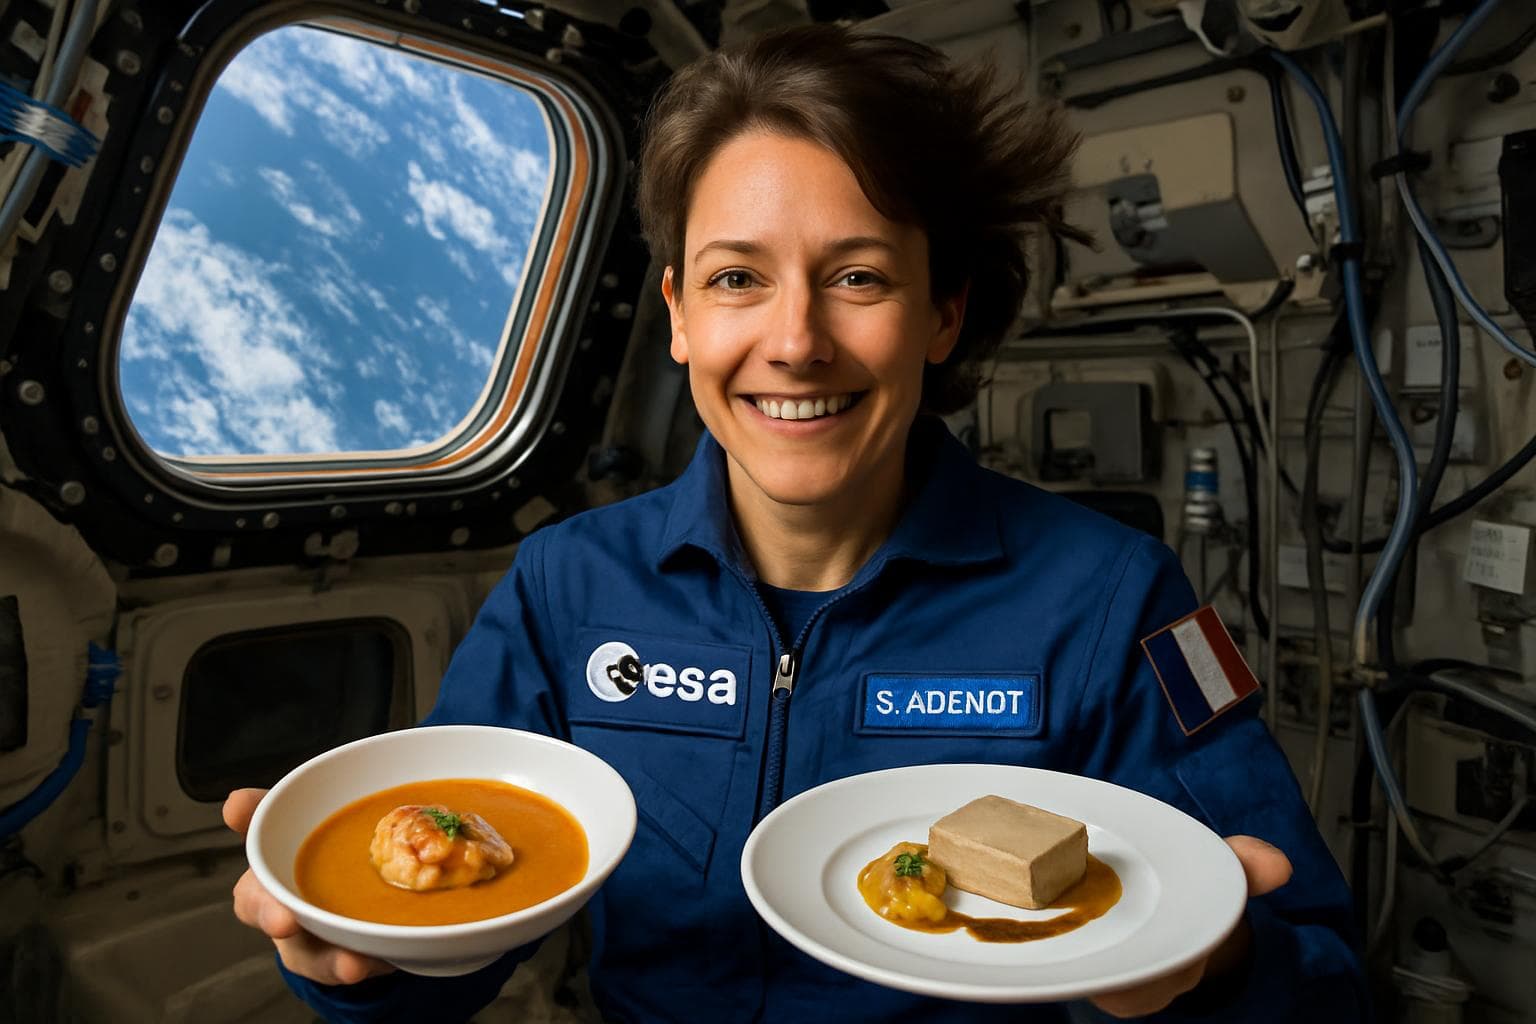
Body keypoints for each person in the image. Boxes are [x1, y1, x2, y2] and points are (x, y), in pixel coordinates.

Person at [223, 23, 1369, 1023]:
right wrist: (354, 964)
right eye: (737, 279)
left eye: (859, 278)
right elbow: (452, 951)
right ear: (677, 314)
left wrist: (1219, 976)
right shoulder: (565, 584)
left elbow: (1326, 979)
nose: (795, 341)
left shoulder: (1116, 598)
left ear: (943, 314)